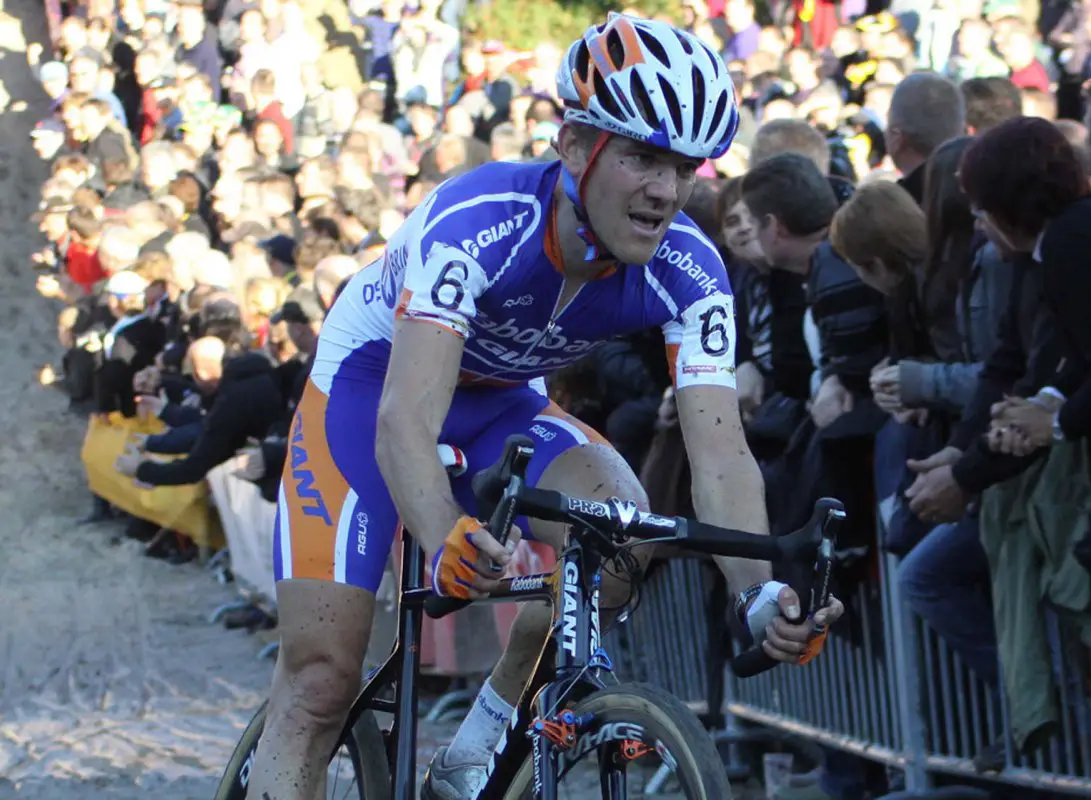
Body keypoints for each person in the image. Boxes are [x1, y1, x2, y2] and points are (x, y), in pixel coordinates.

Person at [249, 14, 845, 800]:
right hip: (372, 394)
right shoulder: (479, 223)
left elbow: (721, 451)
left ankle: (478, 747)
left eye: (684, 166)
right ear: (572, 147)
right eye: (640, 157)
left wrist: (758, 592)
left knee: (619, 538)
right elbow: (403, 421)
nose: (664, 189)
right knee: (323, 679)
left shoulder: (691, 270)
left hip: (500, 407)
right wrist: (442, 533)